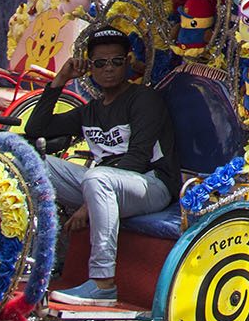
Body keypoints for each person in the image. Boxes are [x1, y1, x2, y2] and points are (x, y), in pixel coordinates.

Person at [24, 28, 178, 305]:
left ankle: (103, 283)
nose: (108, 69)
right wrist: (60, 80)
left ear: (128, 62)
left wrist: (85, 206)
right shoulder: (91, 110)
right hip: (102, 184)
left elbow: (138, 157)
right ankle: (33, 262)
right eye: (99, 63)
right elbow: (37, 128)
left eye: (116, 61)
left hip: (150, 184)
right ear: (90, 67)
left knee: (97, 179)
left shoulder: (144, 99)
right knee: (32, 162)